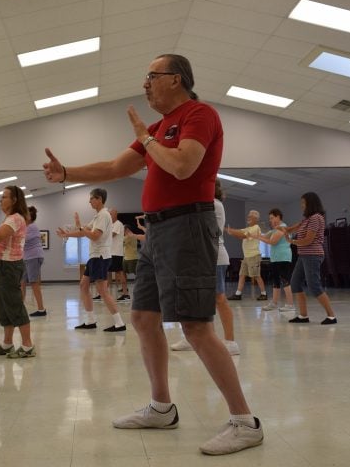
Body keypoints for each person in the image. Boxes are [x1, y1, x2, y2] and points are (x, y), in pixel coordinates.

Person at [43, 53, 262, 456]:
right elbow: (114, 166)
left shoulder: (200, 114)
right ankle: (162, 406)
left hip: (188, 225)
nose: (145, 84)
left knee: (195, 326)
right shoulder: (160, 127)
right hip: (158, 229)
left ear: (175, 79)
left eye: (152, 76)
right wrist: (67, 173)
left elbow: (182, 165)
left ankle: (244, 421)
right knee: (143, 318)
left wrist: (147, 137)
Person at [171, 178, 239, 355]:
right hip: (198, 259)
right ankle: (191, 338)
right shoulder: (202, 205)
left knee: (219, 299)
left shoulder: (214, 205)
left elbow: (200, 229)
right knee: (193, 301)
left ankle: (231, 342)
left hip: (214, 258)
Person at [56, 188, 126, 332]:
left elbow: (94, 236)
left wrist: (81, 226)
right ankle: (90, 320)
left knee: (102, 291)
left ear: (99, 199)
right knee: (83, 285)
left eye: (91, 198)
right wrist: (67, 234)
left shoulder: (103, 215)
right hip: (94, 257)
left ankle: (119, 323)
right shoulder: (97, 217)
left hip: (100, 257)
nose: (89, 201)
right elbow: (83, 231)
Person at [0, 186, 35, 359]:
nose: (1, 200)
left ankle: (27, 346)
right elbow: (4, 245)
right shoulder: (11, 218)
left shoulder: (15, 218)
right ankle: (7, 344)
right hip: (3, 265)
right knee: (3, 307)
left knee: (14, 305)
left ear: (14, 200)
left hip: (9, 267)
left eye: (4, 197)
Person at [283, 192, 337, 325]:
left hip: (312, 254)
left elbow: (308, 240)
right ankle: (303, 316)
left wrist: (292, 242)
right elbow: (291, 229)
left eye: (303, 203)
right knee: (295, 283)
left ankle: (331, 316)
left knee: (314, 286)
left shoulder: (316, 218)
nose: (302, 206)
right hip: (304, 255)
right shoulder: (307, 219)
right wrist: (283, 229)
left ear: (310, 203)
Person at [258, 209, 294, 312]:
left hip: (283, 258)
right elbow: (265, 236)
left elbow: (272, 241)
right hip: (275, 258)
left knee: (285, 280)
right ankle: (274, 303)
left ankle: (290, 305)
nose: (270, 220)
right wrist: (255, 234)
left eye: (272, 218)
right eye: (269, 218)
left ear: (278, 216)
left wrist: (259, 237)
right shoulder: (275, 229)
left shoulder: (283, 228)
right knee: (276, 281)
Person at [225, 210, 267, 300]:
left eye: (250, 216)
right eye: (248, 216)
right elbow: (240, 235)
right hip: (246, 257)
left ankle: (264, 294)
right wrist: (230, 231)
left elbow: (243, 235)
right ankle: (238, 294)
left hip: (254, 256)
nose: (248, 217)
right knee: (242, 275)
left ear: (256, 218)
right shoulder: (248, 228)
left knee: (256, 275)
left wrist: (231, 230)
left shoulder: (256, 228)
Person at [21, 206, 47, 317]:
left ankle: (41, 310)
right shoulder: (26, 227)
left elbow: (21, 239)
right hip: (28, 257)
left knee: (34, 283)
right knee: (22, 282)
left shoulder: (31, 227)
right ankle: (20, 307)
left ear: (30, 217)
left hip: (33, 257)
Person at [108, 208, 130, 300]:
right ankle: (103, 294)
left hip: (116, 253)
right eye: (109, 214)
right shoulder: (111, 224)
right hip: (110, 253)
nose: (110, 216)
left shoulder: (118, 224)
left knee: (120, 273)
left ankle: (125, 294)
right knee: (107, 273)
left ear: (115, 215)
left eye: (111, 214)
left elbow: (111, 235)